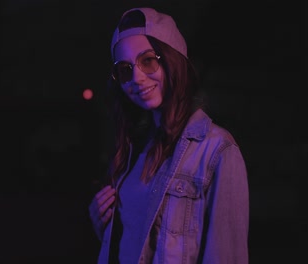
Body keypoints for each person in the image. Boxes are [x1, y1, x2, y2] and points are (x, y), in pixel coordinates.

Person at [88, 7, 249, 264]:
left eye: (148, 60)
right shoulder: (133, 147)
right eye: (126, 69)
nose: (137, 78)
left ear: (172, 59)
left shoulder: (217, 150)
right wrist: (106, 229)